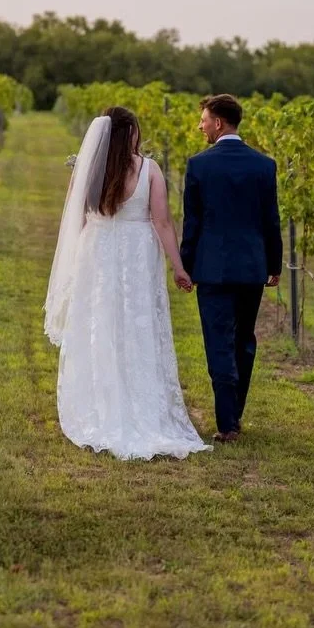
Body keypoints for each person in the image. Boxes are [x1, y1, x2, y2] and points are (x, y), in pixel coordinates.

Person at [43, 106, 211, 460]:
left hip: (97, 253)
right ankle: (142, 407)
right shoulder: (149, 169)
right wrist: (178, 267)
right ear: (130, 133)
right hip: (137, 256)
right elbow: (162, 222)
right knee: (138, 327)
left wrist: (75, 262)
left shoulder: (88, 170)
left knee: (100, 325)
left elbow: (76, 219)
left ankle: (100, 405)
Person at [180, 93, 283, 443]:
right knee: (244, 340)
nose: (200, 126)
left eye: (204, 119)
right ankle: (233, 416)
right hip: (252, 266)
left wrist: (185, 264)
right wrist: (274, 263)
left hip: (212, 268)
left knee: (219, 343)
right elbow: (271, 220)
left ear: (219, 123)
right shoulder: (264, 165)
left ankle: (227, 424)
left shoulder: (199, 165)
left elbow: (192, 223)